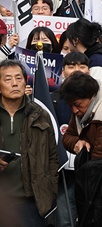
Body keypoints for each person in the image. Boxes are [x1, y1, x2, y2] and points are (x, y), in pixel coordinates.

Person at [0, 59, 59, 226]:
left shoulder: (40, 114)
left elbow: (53, 157)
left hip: (33, 202)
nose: (14, 84)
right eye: (8, 79)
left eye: (19, 78)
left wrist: (50, 190)